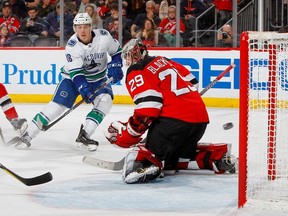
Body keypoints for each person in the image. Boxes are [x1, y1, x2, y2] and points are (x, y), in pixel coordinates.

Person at [105, 38, 237, 184]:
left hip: (174, 123)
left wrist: (130, 135)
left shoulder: (136, 70)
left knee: (144, 151)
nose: (128, 61)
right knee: (176, 156)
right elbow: (194, 83)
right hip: (199, 121)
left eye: (128, 57)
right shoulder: (164, 60)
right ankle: (217, 157)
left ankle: (145, 165)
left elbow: (149, 108)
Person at [14, 13, 124, 151]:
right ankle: (28, 134)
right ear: (74, 28)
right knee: (56, 107)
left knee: (105, 101)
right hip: (72, 80)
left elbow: (117, 51)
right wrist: (84, 88)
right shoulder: (73, 46)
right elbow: (76, 73)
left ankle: (85, 135)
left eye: (85, 27)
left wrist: (116, 64)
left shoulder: (104, 36)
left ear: (91, 27)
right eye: (79, 27)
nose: (82, 31)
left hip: (98, 79)